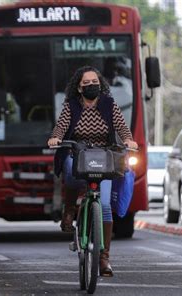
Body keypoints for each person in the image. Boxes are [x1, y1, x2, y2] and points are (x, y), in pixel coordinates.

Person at [48, 66, 138, 277]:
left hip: (104, 156)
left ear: (100, 84)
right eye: (86, 83)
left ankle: (104, 258)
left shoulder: (109, 104)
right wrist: (56, 137)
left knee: (104, 206)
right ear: (79, 87)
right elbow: (61, 126)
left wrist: (128, 139)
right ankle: (70, 210)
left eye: (94, 82)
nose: (91, 85)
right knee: (69, 169)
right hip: (78, 153)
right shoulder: (71, 106)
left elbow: (122, 126)